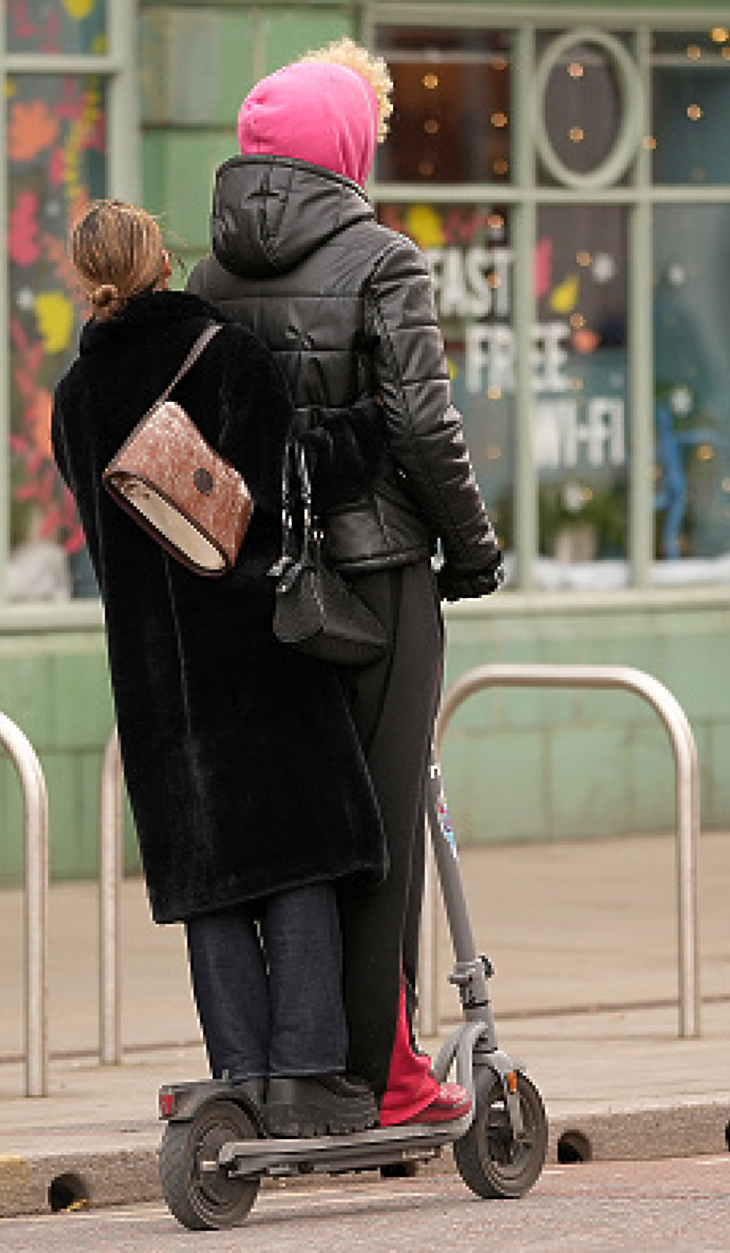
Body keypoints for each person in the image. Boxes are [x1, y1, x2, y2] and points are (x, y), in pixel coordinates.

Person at [187, 40, 505, 1128]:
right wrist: (470, 548)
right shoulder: (383, 259)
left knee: (301, 826)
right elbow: (423, 423)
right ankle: (387, 1073)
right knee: (380, 827)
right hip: (374, 579)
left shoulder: (211, 276)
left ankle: (294, 1055)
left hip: (261, 586)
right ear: (346, 147)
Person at [52, 199, 392, 1138]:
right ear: (165, 262)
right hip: (255, 649)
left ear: (86, 282)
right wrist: (374, 423)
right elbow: (292, 482)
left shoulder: (74, 399)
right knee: (298, 857)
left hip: (156, 677)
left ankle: (239, 1076)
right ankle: (311, 1076)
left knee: (212, 876)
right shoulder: (225, 354)